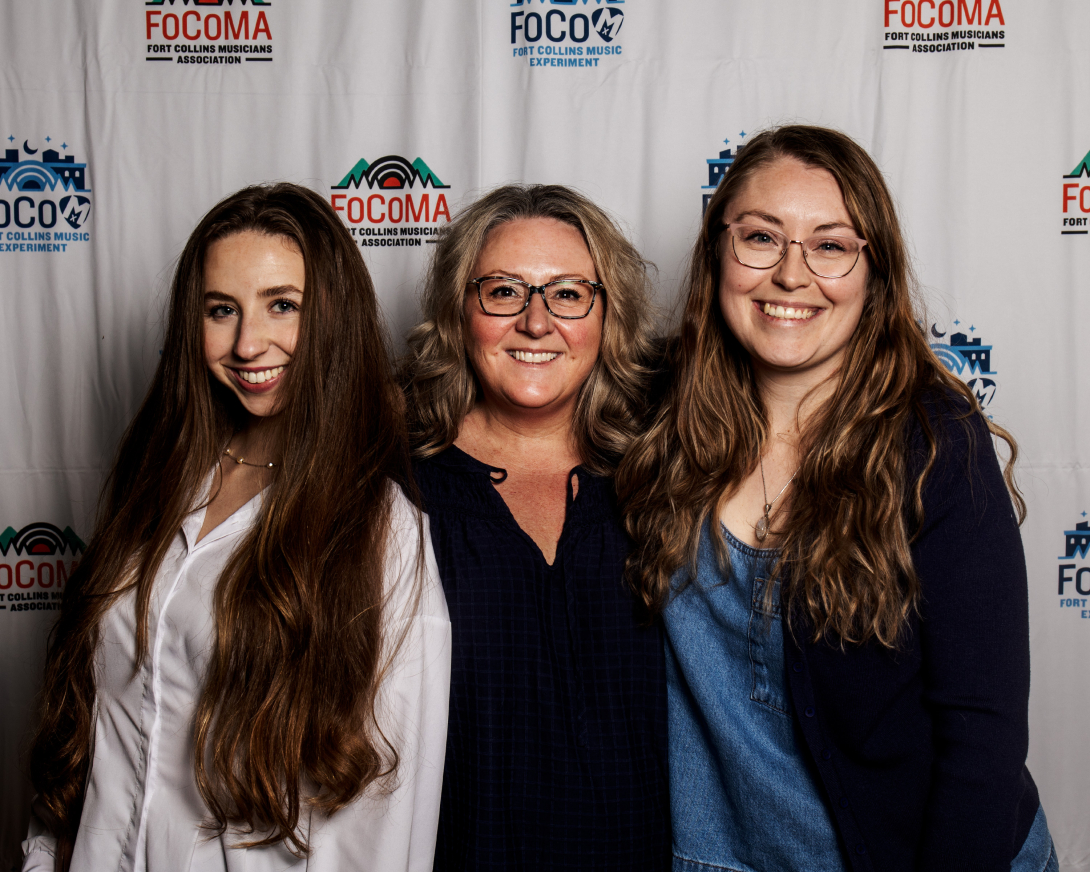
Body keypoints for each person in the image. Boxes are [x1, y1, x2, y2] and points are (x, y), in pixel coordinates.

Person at [617, 126, 1056, 872]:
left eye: (830, 245)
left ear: (872, 273)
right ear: (718, 253)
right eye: (760, 237)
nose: (792, 275)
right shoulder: (654, 419)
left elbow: (981, 736)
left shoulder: (935, 446)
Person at [22, 183, 451, 872]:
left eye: (283, 305)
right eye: (222, 310)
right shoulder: (157, 486)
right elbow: (99, 723)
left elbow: (379, 823)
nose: (249, 342)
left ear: (333, 320)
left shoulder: (382, 535)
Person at [402, 184, 670, 870]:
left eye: (568, 294)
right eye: (502, 292)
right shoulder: (398, 486)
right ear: (459, 311)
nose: (536, 321)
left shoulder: (667, 474)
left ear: (607, 314)